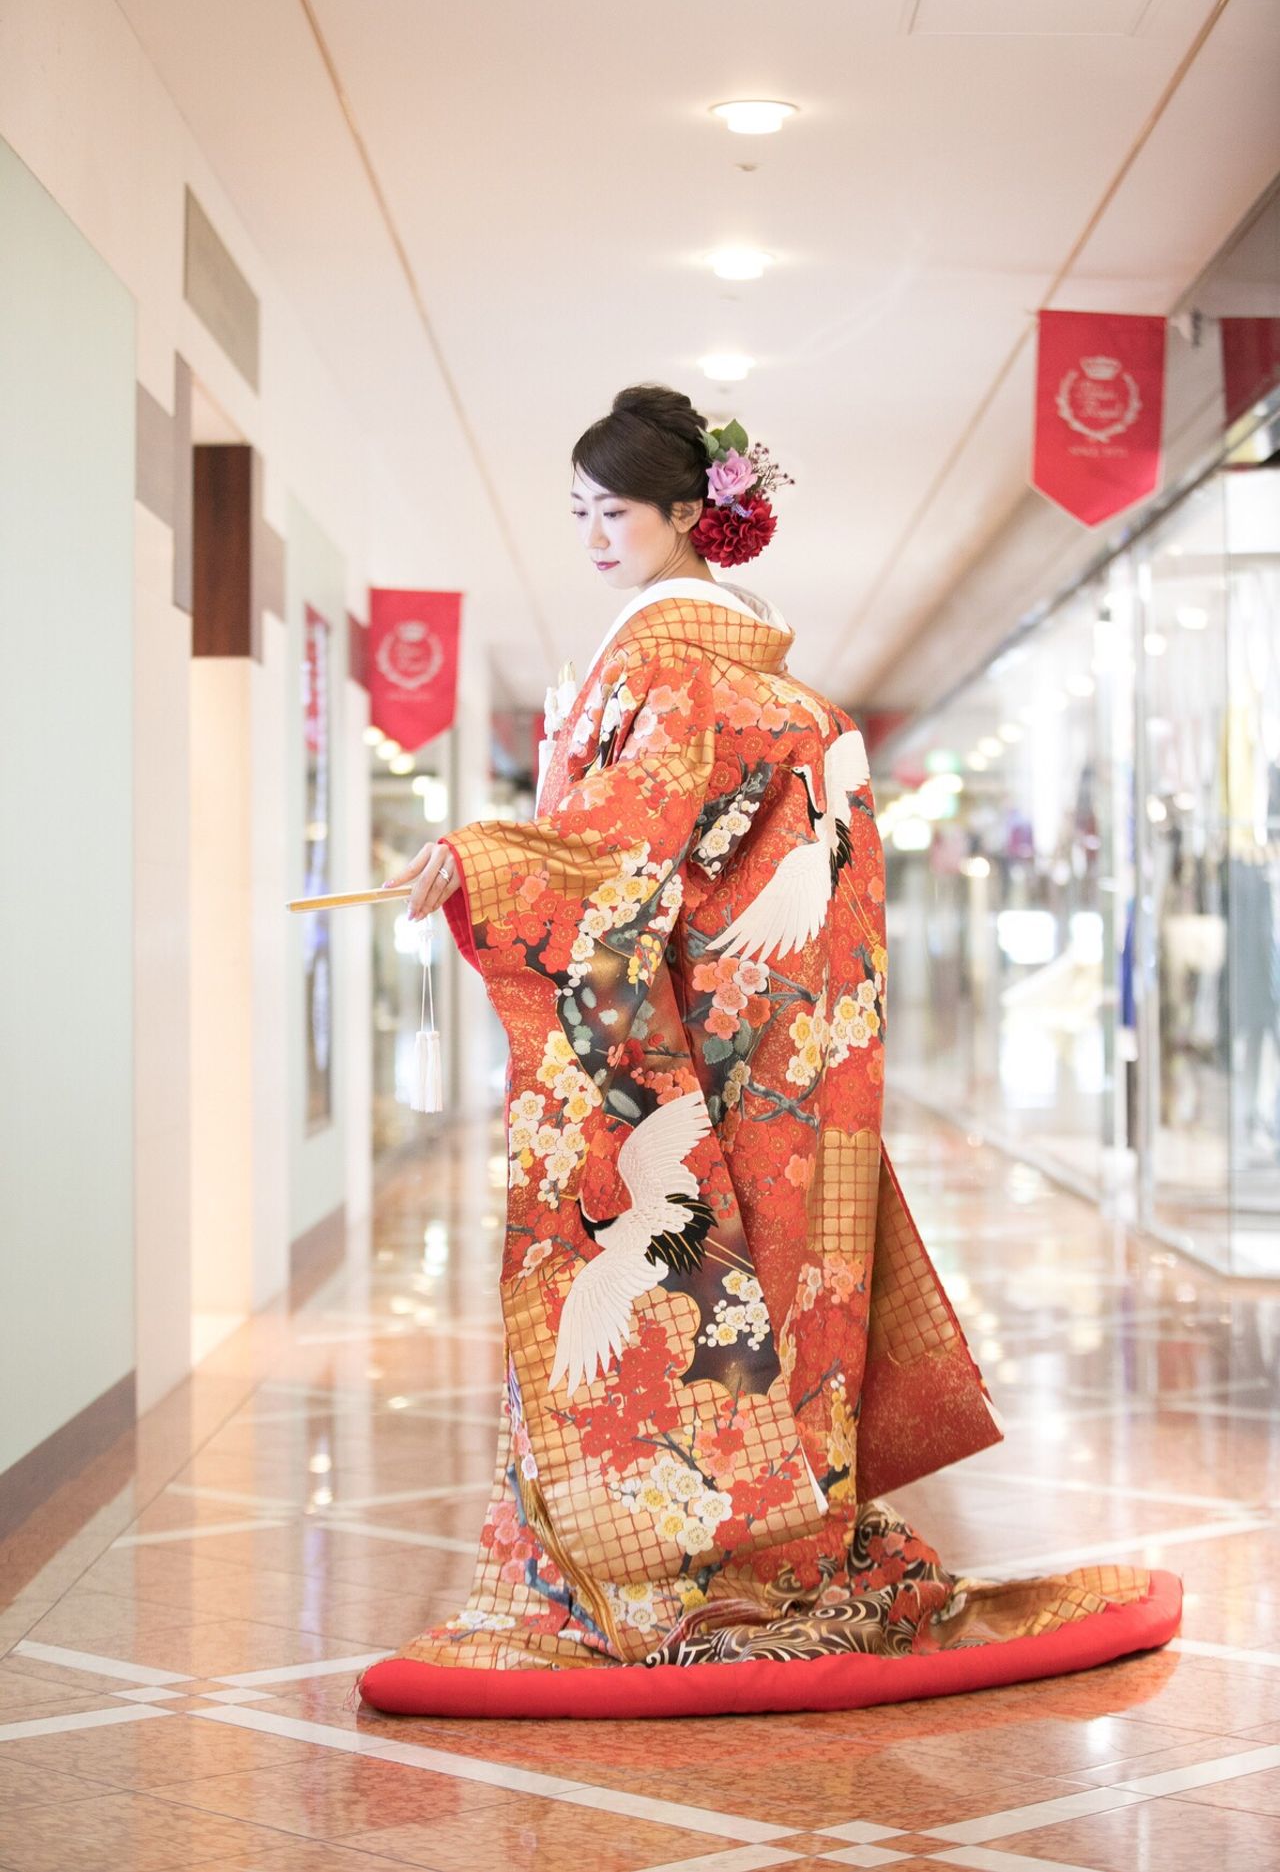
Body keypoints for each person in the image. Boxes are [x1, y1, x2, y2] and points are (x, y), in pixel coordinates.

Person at [360, 384, 1180, 1717]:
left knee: (715, 1289)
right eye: (578, 512)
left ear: (691, 511)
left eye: (614, 511)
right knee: (798, 1289)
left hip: (709, 1049)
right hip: (800, 1054)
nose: (593, 536)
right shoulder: (787, 691)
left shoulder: (665, 668)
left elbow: (609, 851)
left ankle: (700, 1563)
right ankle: (797, 1541)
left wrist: (481, 859)